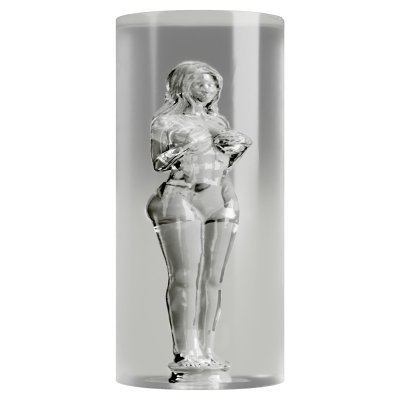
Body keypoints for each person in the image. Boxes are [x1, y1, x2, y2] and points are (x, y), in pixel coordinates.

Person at [146, 61, 252, 371]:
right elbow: (158, 162)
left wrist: (238, 147)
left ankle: (206, 349)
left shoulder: (218, 121)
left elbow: (222, 163)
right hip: (180, 196)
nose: (209, 90)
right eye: (201, 83)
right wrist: (185, 147)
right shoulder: (165, 121)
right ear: (183, 85)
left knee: (213, 279)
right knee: (184, 277)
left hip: (220, 196)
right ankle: (185, 352)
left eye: (213, 84)